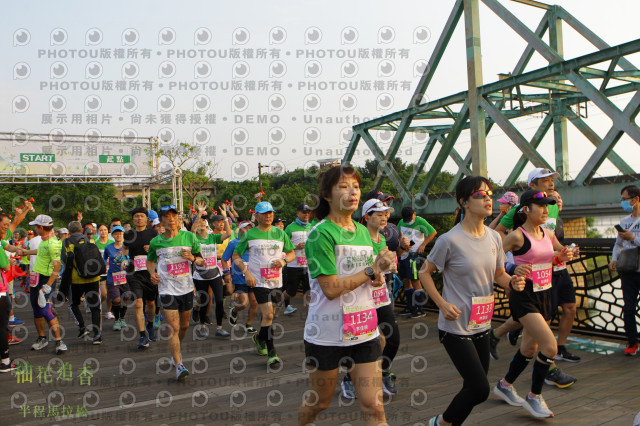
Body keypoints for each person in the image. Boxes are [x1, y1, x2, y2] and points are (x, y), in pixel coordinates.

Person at [419, 176, 525, 426]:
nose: (488, 198)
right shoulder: (449, 240)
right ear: (464, 202)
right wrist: (442, 304)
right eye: (480, 195)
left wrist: (513, 283)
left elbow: (499, 274)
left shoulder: (495, 238)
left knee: (472, 387)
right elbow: (424, 271)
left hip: (482, 323)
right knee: (479, 389)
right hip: (455, 327)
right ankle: (440, 423)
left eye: (489, 194)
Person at [298, 166, 395, 426]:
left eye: (356, 186)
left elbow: (368, 277)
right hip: (326, 333)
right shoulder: (321, 233)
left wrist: (379, 272)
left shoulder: (363, 232)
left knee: (374, 406)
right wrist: (371, 269)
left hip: (364, 330)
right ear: (327, 195)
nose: (352, 192)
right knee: (320, 402)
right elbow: (330, 289)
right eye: (343, 186)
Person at [493, 190, 576, 418]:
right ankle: (534, 396)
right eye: (540, 206)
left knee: (530, 349)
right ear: (526, 209)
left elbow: (553, 258)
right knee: (550, 347)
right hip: (524, 295)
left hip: (545, 292)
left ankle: (505, 384)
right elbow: (494, 260)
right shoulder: (517, 236)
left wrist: (564, 256)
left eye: (547, 206)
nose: (545, 210)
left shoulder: (548, 234)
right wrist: (511, 270)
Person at [341, 198, 402, 399]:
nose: (384, 217)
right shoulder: (357, 238)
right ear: (367, 216)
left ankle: (383, 371)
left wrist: (390, 266)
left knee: (393, 338)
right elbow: (352, 264)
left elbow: (382, 263)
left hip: (379, 294)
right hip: (360, 296)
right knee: (358, 341)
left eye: (386, 213)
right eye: (379, 214)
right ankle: (349, 379)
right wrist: (374, 271)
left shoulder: (382, 239)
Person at [233, 201, 295, 368]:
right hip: (258, 281)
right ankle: (272, 353)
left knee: (270, 315)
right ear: (257, 216)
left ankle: (259, 338)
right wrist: (246, 273)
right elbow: (236, 255)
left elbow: (291, 253)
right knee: (267, 315)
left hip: (276, 281)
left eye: (271, 213)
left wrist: (283, 261)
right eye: (265, 213)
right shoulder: (249, 234)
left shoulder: (280, 233)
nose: (268, 216)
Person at [148, 205, 204, 380]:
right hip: (166, 288)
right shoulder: (155, 242)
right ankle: (179, 364)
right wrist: (152, 274)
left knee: (184, 325)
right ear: (162, 221)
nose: (171, 219)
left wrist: (193, 258)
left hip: (186, 287)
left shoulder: (189, 237)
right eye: (167, 216)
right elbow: (150, 261)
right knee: (173, 327)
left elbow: (201, 261)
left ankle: (176, 349)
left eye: (174, 216)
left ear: (179, 219)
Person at [18, 214, 67, 354]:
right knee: (36, 310)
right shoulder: (45, 240)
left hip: (46, 280)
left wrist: (48, 285)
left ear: (41, 227)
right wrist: (26, 252)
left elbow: (57, 267)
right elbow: (40, 252)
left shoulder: (52, 243)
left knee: (46, 310)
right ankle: (42, 338)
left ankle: (59, 341)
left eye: (36, 226)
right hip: (36, 277)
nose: (34, 229)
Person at [190, 202, 233, 338]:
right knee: (204, 301)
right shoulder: (194, 238)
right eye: (200, 222)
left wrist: (225, 216)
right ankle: (202, 325)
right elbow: (192, 230)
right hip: (200, 275)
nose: (202, 223)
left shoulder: (212, 237)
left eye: (204, 221)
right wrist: (199, 214)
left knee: (219, 300)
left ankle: (219, 327)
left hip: (214, 273)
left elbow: (228, 233)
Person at [609, 184, 640, 356]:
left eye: (625, 199)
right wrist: (614, 259)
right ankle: (632, 341)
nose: (623, 202)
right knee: (628, 308)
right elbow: (618, 244)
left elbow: (631, 240)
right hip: (628, 269)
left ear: (636, 199)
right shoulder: (625, 221)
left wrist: (633, 237)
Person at [61, 221, 104, 345]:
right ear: (81, 230)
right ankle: (97, 335)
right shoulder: (90, 240)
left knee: (73, 304)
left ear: (69, 232)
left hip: (77, 279)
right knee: (95, 307)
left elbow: (64, 260)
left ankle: (82, 327)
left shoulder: (67, 242)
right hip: (93, 278)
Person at [122, 207, 159, 349]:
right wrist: (124, 258)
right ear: (133, 219)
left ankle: (150, 324)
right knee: (138, 303)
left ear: (146, 219)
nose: (139, 218)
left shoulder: (153, 233)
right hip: (134, 272)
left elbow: (159, 250)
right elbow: (125, 248)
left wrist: (151, 249)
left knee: (150, 303)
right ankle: (142, 336)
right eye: (136, 216)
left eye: (142, 216)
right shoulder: (128, 234)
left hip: (149, 272)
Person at [397, 206, 437, 318]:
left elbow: (433, 232)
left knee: (415, 280)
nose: (409, 221)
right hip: (404, 254)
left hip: (414, 254)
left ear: (414, 214)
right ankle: (410, 306)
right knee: (405, 280)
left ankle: (420, 308)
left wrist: (423, 244)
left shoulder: (420, 221)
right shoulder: (401, 222)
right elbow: (398, 235)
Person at [224, 221, 258, 333]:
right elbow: (224, 259)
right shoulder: (233, 243)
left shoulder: (254, 242)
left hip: (253, 276)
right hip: (239, 277)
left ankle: (249, 324)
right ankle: (234, 310)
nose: (248, 230)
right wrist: (226, 273)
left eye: (250, 228)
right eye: (246, 228)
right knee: (244, 303)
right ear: (240, 230)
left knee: (254, 302)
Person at [281, 203, 313, 315]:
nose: (306, 215)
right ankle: (277, 302)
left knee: (308, 291)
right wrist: (296, 247)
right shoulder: (290, 228)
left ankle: (311, 314)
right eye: (304, 212)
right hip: (293, 265)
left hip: (308, 265)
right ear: (297, 213)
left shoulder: (312, 227)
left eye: (308, 212)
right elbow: (283, 247)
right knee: (291, 291)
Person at [103, 226, 130, 331]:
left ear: (123, 235)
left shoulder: (127, 247)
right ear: (113, 235)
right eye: (116, 234)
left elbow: (131, 259)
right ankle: (117, 319)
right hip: (113, 277)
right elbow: (105, 258)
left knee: (126, 298)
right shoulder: (108, 248)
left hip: (126, 277)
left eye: (120, 234)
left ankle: (123, 318)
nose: (118, 236)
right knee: (116, 299)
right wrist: (104, 267)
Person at [94, 224, 114, 319]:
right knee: (104, 293)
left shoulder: (112, 242)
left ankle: (108, 311)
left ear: (108, 231)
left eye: (105, 230)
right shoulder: (95, 243)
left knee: (110, 292)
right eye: (101, 230)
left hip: (111, 270)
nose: (103, 232)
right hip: (100, 271)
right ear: (98, 232)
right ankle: (98, 304)